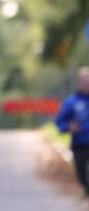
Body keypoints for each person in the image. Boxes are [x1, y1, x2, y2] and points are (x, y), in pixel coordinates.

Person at [55, 67, 89, 196]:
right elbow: (60, 122)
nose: (87, 85)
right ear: (79, 83)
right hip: (79, 143)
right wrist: (69, 127)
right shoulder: (72, 102)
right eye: (84, 82)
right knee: (81, 175)